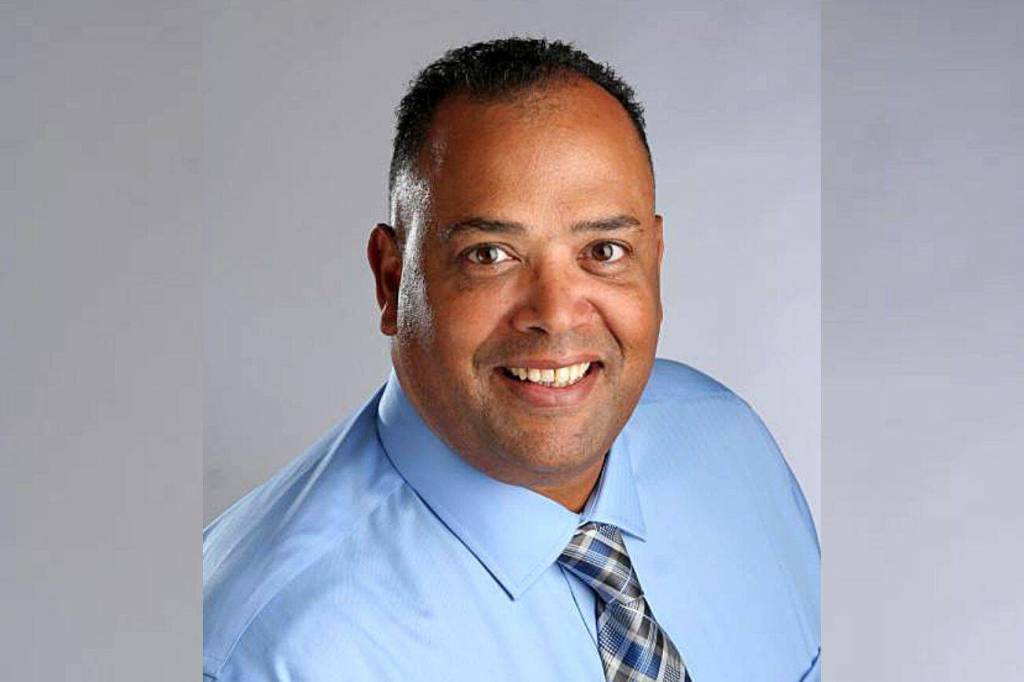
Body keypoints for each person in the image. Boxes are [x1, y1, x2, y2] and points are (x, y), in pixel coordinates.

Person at [203, 37, 820, 682]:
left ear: (655, 261)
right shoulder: (268, 653)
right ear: (391, 280)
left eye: (604, 251)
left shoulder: (730, 442)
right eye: (489, 255)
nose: (555, 314)